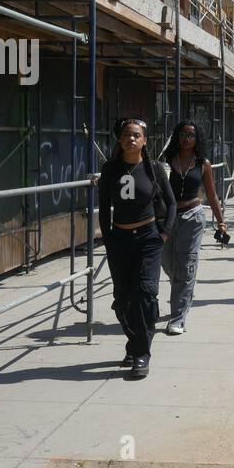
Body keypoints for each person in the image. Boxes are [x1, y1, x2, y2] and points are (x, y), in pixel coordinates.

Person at [98, 118, 175, 379]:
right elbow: (103, 206)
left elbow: (171, 204)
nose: (131, 139)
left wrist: (164, 233)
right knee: (123, 299)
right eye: (126, 135)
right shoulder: (110, 169)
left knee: (144, 294)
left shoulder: (153, 169)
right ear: (120, 140)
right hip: (120, 238)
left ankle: (142, 354)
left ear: (144, 140)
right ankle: (133, 344)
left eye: (137, 135)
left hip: (148, 238)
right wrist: (108, 238)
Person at [159, 121, 227, 335]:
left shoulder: (202, 163)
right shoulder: (166, 162)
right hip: (168, 218)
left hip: (193, 216)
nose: (186, 139)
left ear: (197, 139)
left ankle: (177, 318)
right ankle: (183, 290)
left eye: (190, 135)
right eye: (182, 134)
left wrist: (221, 221)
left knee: (186, 265)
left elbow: (212, 194)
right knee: (168, 264)